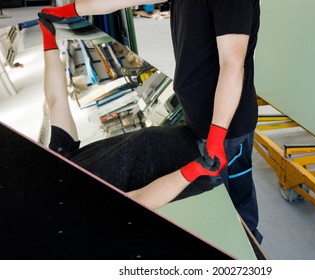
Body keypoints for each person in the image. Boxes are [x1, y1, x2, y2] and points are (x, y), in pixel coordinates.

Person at [38, 0, 263, 242]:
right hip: (196, 129)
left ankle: (251, 249)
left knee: (236, 208)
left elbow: (232, 64)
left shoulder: (61, 167)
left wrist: (217, 133)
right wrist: (70, 11)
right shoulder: (68, 177)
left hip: (226, 127)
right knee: (222, 204)